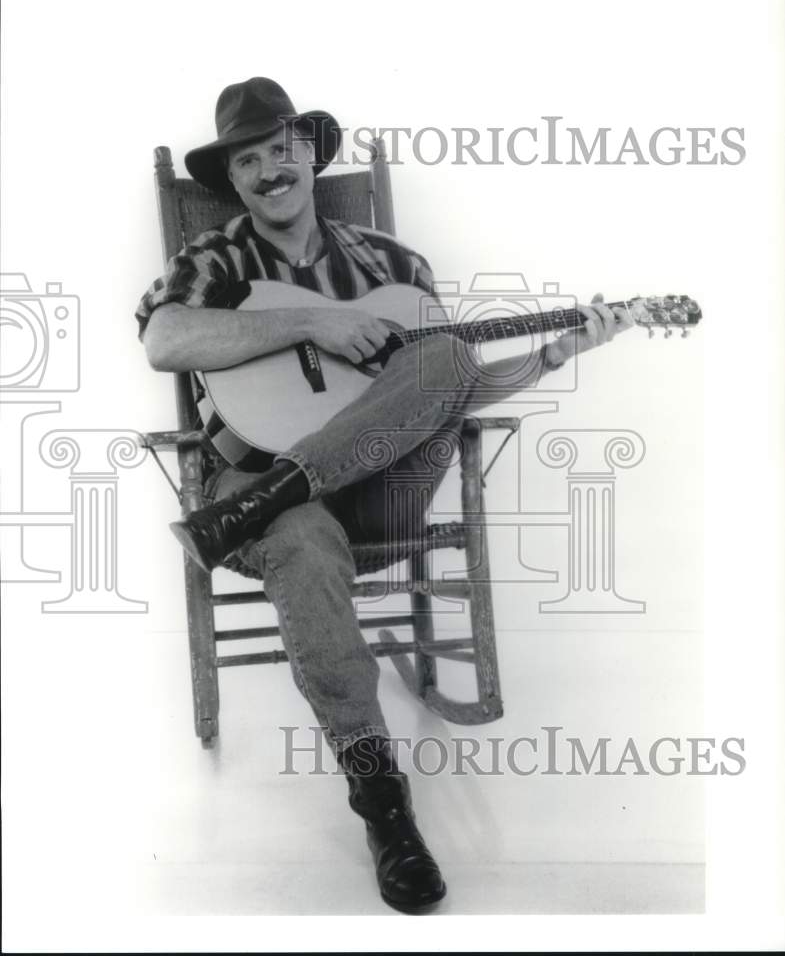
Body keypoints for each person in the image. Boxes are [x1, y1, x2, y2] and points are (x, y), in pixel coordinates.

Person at [137, 77, 633, 914]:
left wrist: (551, 358)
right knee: (295, 534)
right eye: (247, 159)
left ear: (310, 154)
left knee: (443, 357)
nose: (267, 170)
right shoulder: (215, 259)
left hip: (377, 494)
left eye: (280, 149)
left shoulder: (392, 266)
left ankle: (261, 503)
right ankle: (384, 809)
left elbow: (444, 394)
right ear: (233, 179)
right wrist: (310, 323)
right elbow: (164, 338)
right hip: (260, 483)